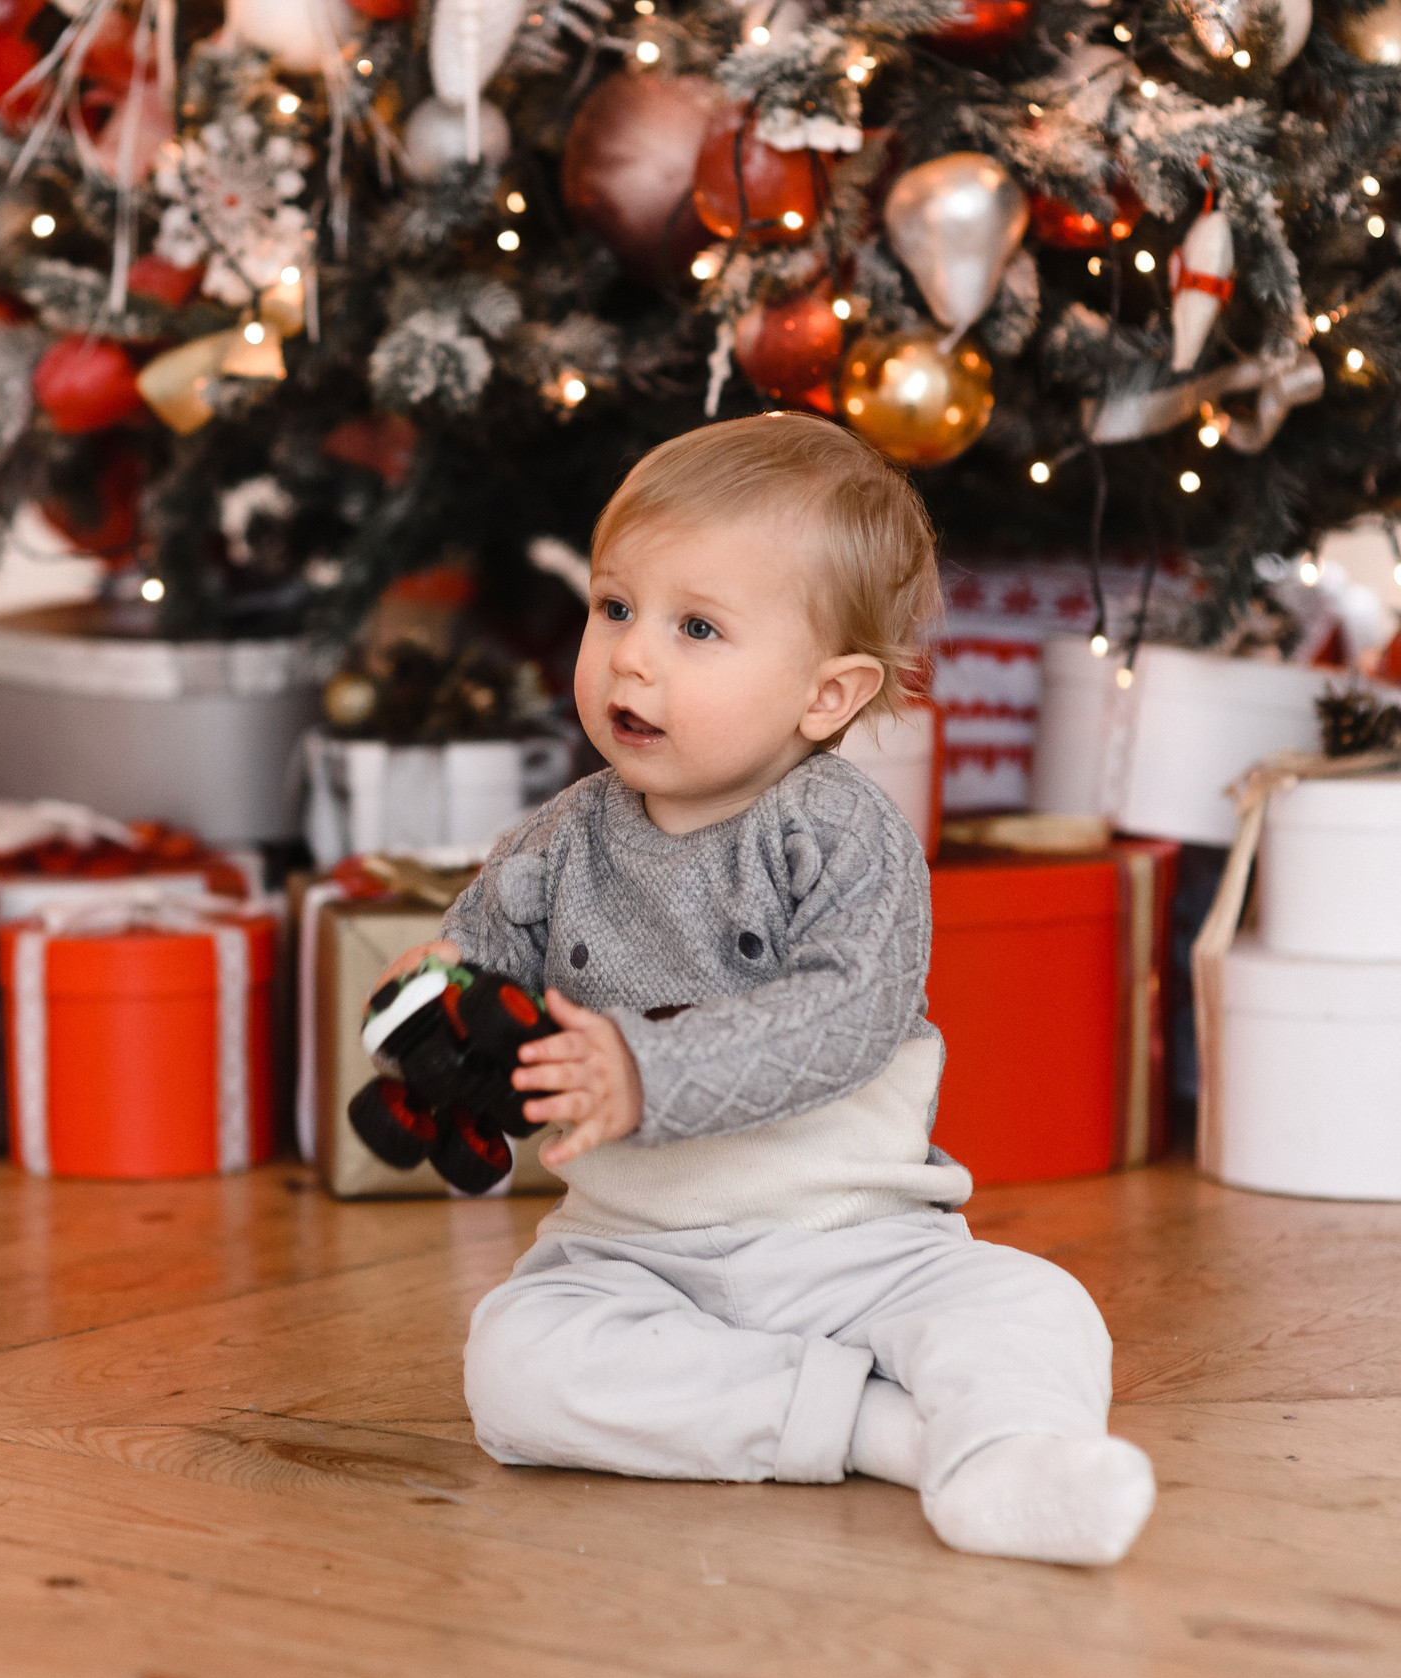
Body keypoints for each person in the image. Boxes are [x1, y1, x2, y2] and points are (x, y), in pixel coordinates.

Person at [385, 413, 1155, 1566]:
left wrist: (647, 1070)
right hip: (627, 1253)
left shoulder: (844, 834)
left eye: (696, 626)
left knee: (1034, 1306)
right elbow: (483, 953)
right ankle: (879, 1429)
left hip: (855, 1244)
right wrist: (436, 1001)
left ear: (826, 694)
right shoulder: (562, 834)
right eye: (614, 607)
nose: (632, 656)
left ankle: (1007, 1457)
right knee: (513, 1367)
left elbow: (851, 1013)